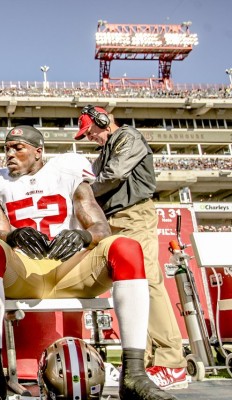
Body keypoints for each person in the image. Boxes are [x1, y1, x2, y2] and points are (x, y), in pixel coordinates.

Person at [0, 125, 178, 400]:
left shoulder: (67, 168)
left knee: (127, 247)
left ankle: (134, 375)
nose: (9, 154)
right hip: (26, 272)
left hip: (69, 269)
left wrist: (83, 236)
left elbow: (101, 227)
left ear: (38, 151)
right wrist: (12, 235)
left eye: (17, 148)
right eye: (7, 148)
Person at [75, 105, 187, 390]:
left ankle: (172, 363)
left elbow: (114, 175)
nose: (89, 137)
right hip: (112, 221)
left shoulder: (127, 136)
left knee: (146, 283)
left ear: (103, 120)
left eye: (90, 131)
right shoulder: (104, 151)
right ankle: (144, 364)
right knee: (130, 290)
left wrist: (83, 192)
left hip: (133, 216)